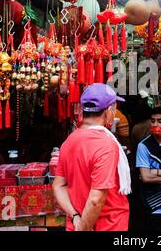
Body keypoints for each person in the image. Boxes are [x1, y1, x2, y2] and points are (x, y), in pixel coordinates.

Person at [53, 83, 131, 231]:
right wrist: (84, 227)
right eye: (114, 108)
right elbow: (96, 199)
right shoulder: (106, 145)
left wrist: (75, 216)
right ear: (109, 111)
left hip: (76, 225)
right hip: (107, 225)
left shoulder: (69, 141)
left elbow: (58, 185)